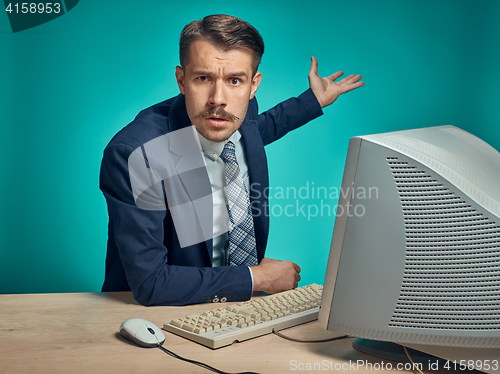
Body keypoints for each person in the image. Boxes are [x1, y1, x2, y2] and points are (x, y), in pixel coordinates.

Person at [100, 14, 364, 306]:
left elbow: (257, 129)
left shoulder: (241, 113)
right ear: (181, 80)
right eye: (203, 78)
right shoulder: (137, 155)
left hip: (237, 309)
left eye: (235, 80)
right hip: (157, 313)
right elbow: (151, 283)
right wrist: (257, 278)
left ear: (253, 86)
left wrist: (312, 101)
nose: (218, 99)